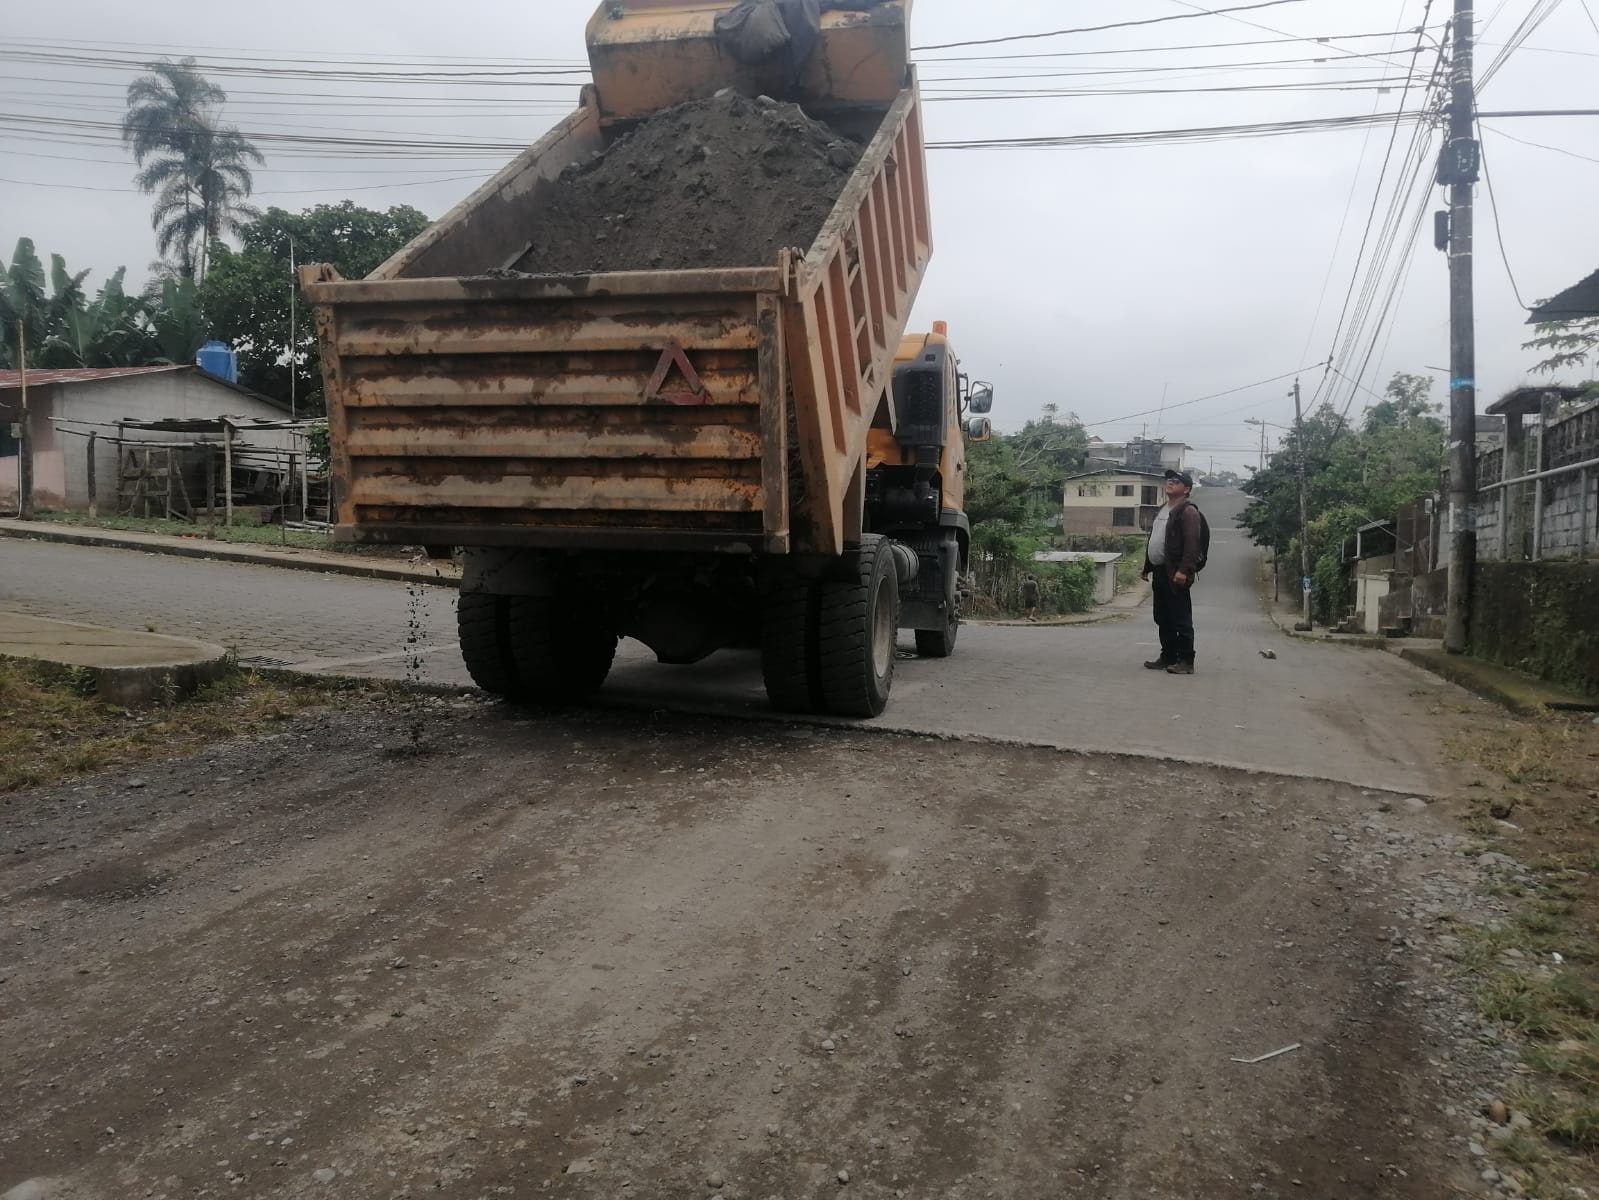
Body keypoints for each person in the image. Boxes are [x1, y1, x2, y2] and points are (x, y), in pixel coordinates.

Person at [1140, 469, 1203, 675]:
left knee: (1180, 618)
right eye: (1169, 480)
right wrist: (1147, 567)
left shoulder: (1188, 512)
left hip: (1176, 573)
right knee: (1162, 616)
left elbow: (1192, 544)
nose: (1170, 483)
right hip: (1160, 571)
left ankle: (1186, 660)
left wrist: (1184, 570)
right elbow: (1156, 540)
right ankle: (1168, 656)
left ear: (1186, 489)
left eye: (1176, 481)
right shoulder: (1163, 509)